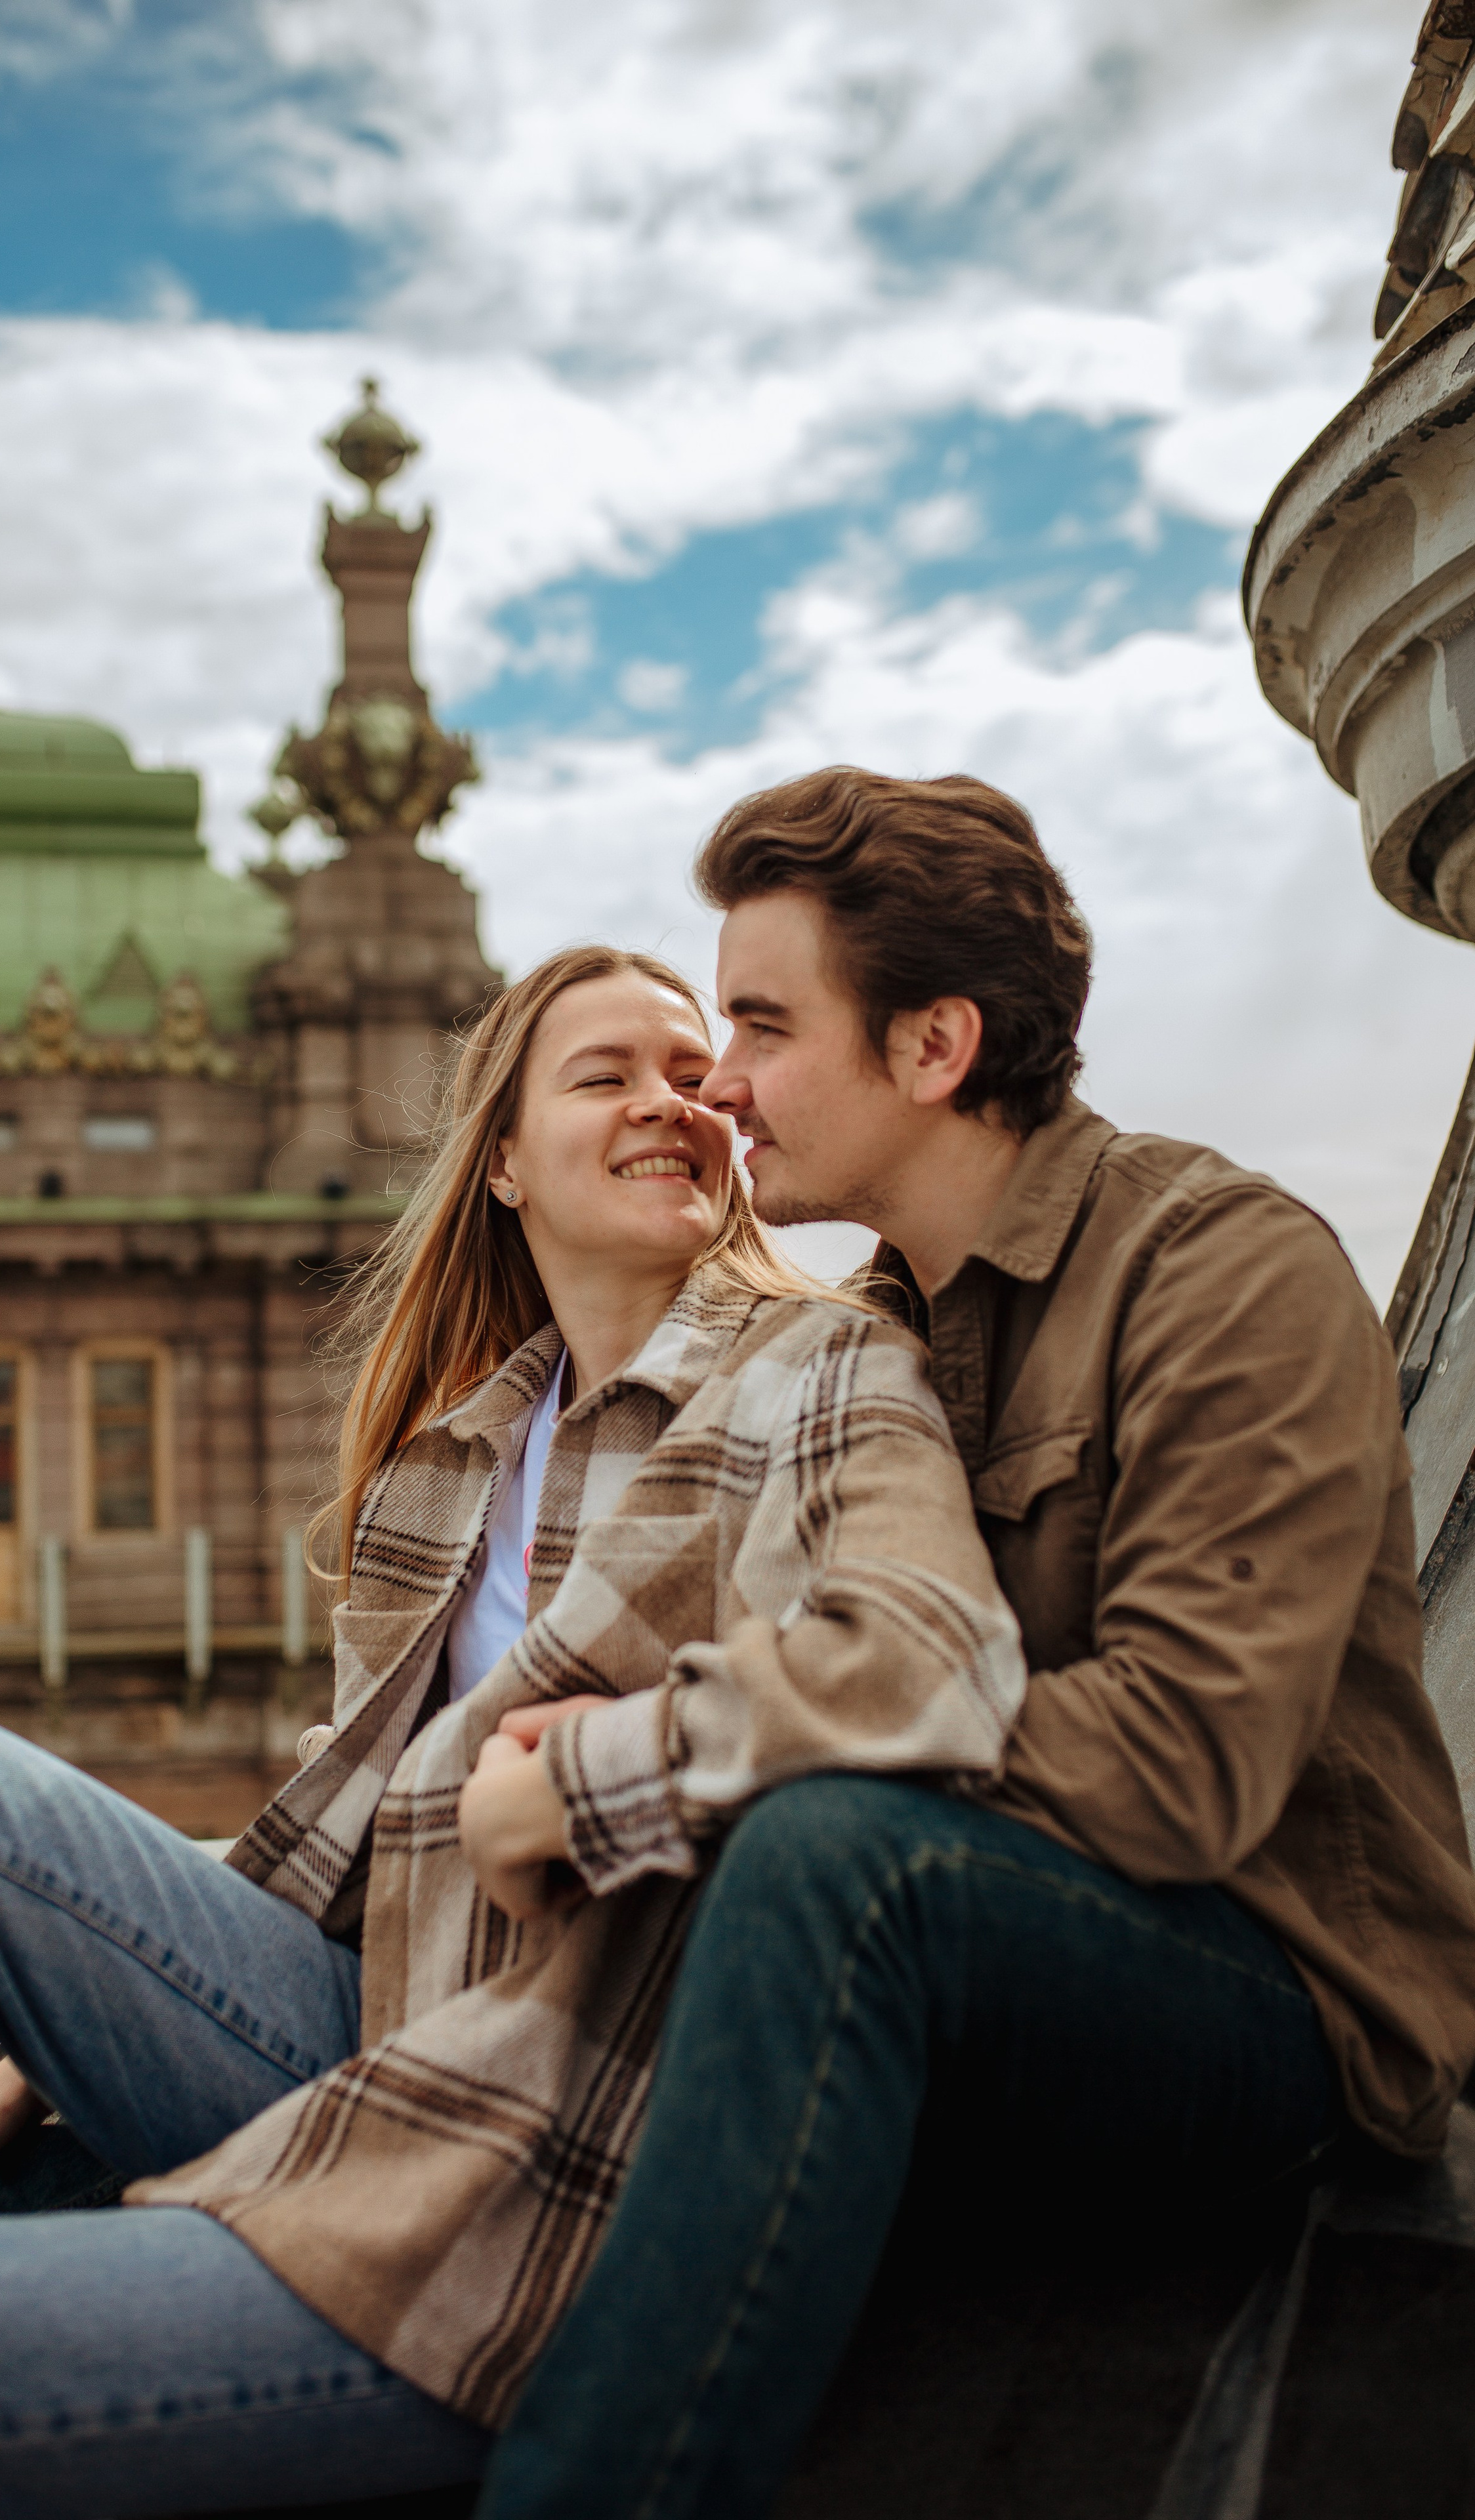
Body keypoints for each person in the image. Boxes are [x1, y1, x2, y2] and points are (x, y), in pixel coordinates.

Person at [0, 943, 1022, 2517]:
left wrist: (585, 1780)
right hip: (373, 2037)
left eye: (693, 1073)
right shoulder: (454, 1458)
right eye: (607, 1075)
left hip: (535, 2173)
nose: (675, 1101)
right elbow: (331, 1833)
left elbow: (930, 1661)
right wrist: (55, 2005)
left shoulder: (818, 1367)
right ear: (501, 1161)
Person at [476, 771, 1475, 2520]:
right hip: (997, 1956)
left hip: (1283, 1989)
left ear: (933, 1045)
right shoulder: (861, 1339)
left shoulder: (1220, 1266)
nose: (718, 1080)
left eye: (765, 1027)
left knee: (821, 1855)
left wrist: (687, 1763)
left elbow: (1182, 1764)